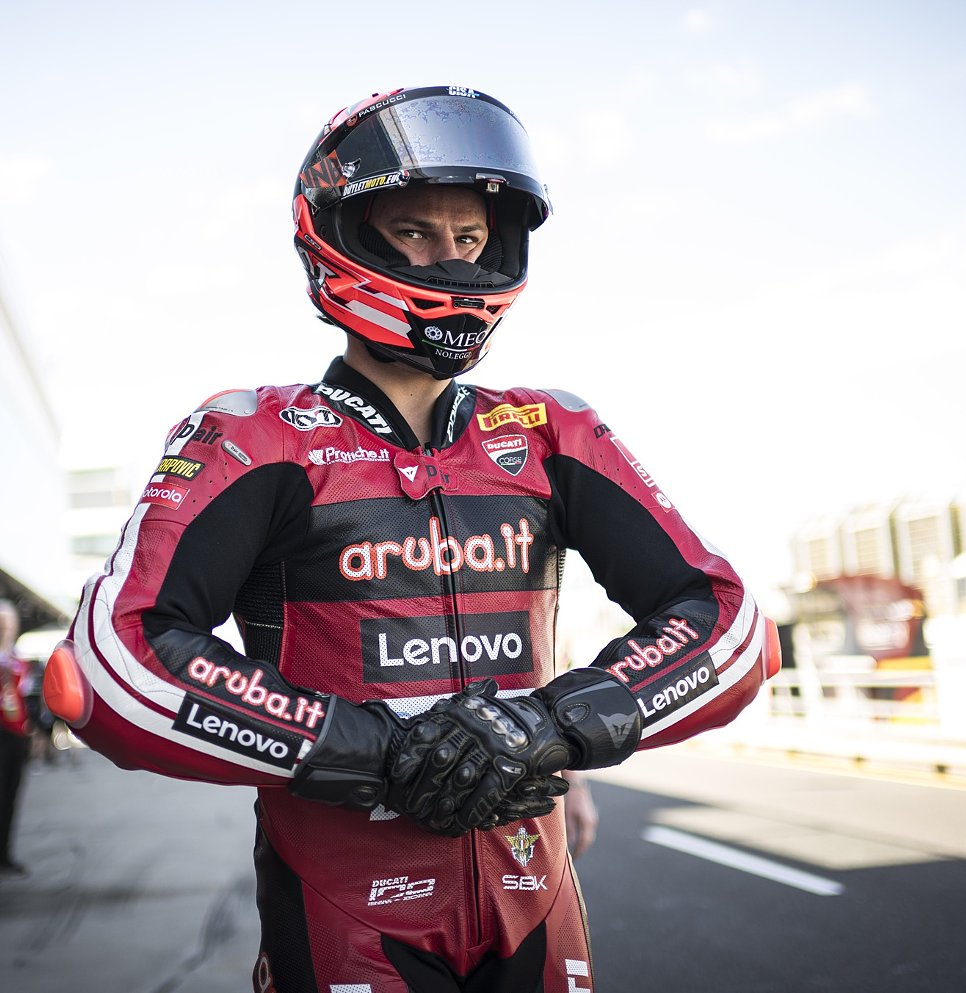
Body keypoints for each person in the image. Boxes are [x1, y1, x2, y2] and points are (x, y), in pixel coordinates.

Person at [47, 85, 775, 991]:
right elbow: (114, 663)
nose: (453, 260)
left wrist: (555, 729)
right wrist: (375, 750)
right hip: (342, 906)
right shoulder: (254, 434)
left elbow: (732, 624)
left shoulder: (552, 430)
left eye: (469, 237)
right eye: (416, 232)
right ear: (343, 233)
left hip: (532, 895)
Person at [0, 599, 32, 876]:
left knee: (10, 796)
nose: (7, 628)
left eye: (10, 623)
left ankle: (5, 854)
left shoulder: (16, 655)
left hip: (16, 733)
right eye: (2, 623)